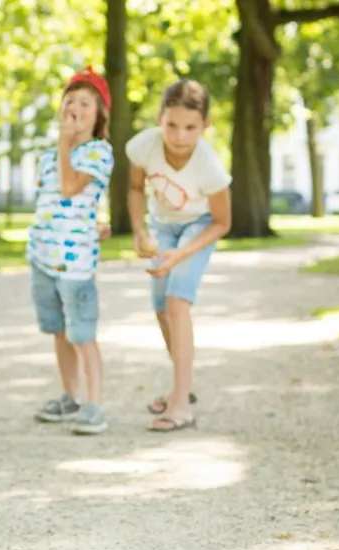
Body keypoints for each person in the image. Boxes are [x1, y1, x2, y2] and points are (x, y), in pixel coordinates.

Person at [125, 79, 232, 431]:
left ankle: (181, 406)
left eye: (191, 127)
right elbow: (135, 187)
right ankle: (180, 386)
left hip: (199, 226)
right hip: (164, 225)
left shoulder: (210, 168)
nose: (180, 135)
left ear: (206, 126)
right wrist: (140, 230)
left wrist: (180, 255)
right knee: (160, 308)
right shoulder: (143, 147)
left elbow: (222, 222)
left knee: (177, 302)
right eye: (172, 125)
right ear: (160, 119)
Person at [28, 66, 114, 435]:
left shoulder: (99, 152)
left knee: (82, 333)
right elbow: (50, 202)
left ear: (98, 119)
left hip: (75, 263)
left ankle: (94, 404)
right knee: (59, 331)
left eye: (85, 104)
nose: (75, 108)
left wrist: (65, 144)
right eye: (70, 101)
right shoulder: (47, 156)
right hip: (43, 258)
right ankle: (70, 395)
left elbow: (69, 188)